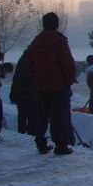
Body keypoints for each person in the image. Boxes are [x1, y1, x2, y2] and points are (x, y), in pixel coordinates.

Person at [29, 12, 77, 155]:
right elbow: (67, 62)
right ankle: (61, 145)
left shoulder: (36, 42)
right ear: (56, 24)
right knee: (59, 116)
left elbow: (30, 63)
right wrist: (69, 80)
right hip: (58, 85)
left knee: (41, 115)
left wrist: (35, 80)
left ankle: (40, 142)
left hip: (41, 85)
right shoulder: (59, 41)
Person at [10, 48, 37, 135]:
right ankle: (31, 132)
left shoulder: (23, 59)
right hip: (27, 91)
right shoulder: (30, 60)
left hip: (20, 91)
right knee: (31, 113)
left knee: (23, 113)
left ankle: (23, 131)